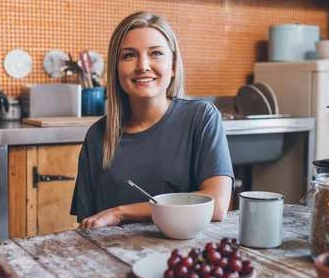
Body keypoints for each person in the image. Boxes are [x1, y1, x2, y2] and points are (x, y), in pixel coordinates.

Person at [70, 12, 234, 230]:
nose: (143, 65)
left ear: (173, 65)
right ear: (116, 68)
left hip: (185, 258)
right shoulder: (97, 135)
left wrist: (121, 213)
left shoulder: (201, 118)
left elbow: (217, 205)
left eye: (156, 53)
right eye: (129, 55)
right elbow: (89, 224)